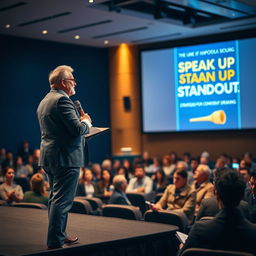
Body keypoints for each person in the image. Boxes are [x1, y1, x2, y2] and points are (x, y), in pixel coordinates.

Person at [37, 65, 92, 249]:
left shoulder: (45, 100)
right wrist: (86, 121)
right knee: (62, 201)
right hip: (65, 158)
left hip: (50, 157)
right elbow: (78, 129)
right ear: (63, 82)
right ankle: (55, 241)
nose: (75, 83)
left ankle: (60, 234)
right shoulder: (63, 100)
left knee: (55, 199)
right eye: (72, 80)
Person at [179, 170, 256, 254]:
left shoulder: (199, 229)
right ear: (242, 195)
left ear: (217, 195)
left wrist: (181, 248)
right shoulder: (253, 232)